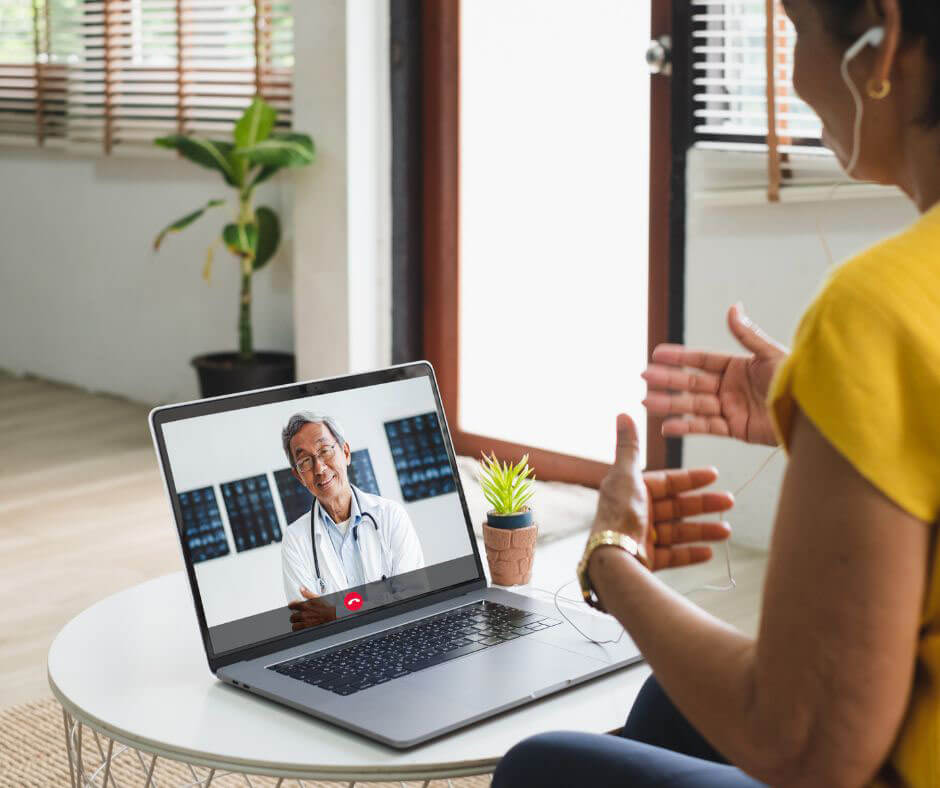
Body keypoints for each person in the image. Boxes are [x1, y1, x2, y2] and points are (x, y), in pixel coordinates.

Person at [494, 0, 940, 785]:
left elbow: (806, 746)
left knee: (542, 768)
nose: (794, 77)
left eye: (797, 32)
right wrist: (838, 416)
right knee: (669, 706)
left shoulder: (879, 309)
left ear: (880, 41)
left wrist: (611, 558)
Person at [280, 412, 425, 614]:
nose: (319, 468)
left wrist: (335, 614)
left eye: (325, 451)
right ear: (299, 477)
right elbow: (307, 622)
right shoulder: (295, 540)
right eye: (305, 461)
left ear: (346, 452)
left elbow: (413, 598)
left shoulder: (391, 515)